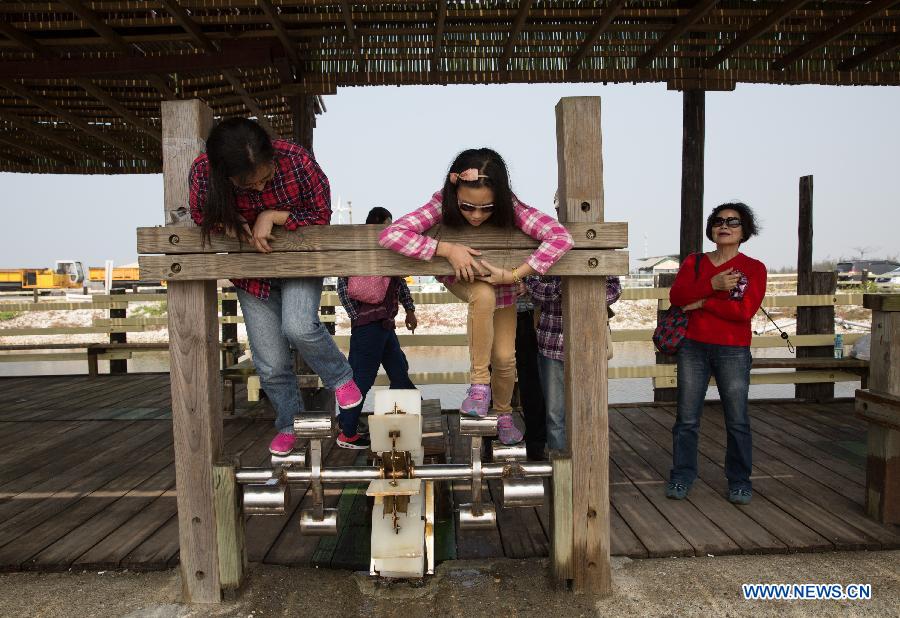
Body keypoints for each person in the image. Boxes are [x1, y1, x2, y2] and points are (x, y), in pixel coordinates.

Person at [188, 117, 362, 456]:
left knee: (299, 326)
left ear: (272, 157)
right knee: (269, 361)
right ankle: (288, 423)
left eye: (264, 179)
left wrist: (273, 215)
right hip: (251, 272)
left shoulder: (297, 160)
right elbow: (199, 214)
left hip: (299, 262)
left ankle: (341, 378)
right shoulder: (202, 173)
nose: (257, 189)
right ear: (225, 176)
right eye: (246, 185)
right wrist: (233, 225)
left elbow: (321, 215)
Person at [379, 148, 574, 445]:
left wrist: (514, 274)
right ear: (455, 193)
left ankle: (503, 414)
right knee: (482, 295)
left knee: (506, 358)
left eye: (487, 208)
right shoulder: (440, 203)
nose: (477, 215)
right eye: (468, 207)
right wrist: (447, 249)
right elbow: (390, 235)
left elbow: (561, 237)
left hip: (504, 287)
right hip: (464, 280)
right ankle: (479, 385)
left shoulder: (513, 207)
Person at [666, 202, 766, 505]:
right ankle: (682, 475)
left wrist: (703, 302)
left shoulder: (754, 268)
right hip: (692, 347)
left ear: (744, 231)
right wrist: (712, 284)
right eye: (719, 221)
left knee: (737, 419)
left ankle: (740, 481)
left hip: (733, 349)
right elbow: (677, 296)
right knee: (686, 418)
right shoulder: (694, 262)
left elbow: (743, 311)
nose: (724, 226)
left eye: (733, 222)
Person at [336, 207, 418, 450]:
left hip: (381, 325)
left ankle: (409, 415)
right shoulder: (384, 250)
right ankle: (347, 432)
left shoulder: (359, 251)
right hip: (372, 326)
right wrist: (359, 317)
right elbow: (400, 282)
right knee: (362, 378)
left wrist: (409, 309)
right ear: (380, 223)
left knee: (398, 370)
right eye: (388, 223)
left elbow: (343, 287)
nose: (390, 228)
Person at [525, 274, 621, 453]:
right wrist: (563, 290)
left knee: (589, 410)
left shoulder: (597, 257)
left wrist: (577, 291)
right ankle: (560, 464)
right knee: (554, 414)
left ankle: (587, 460)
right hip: (551, 343)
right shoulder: (543, 258)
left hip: (589, 344)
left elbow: (615, 289)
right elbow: (532, 286)